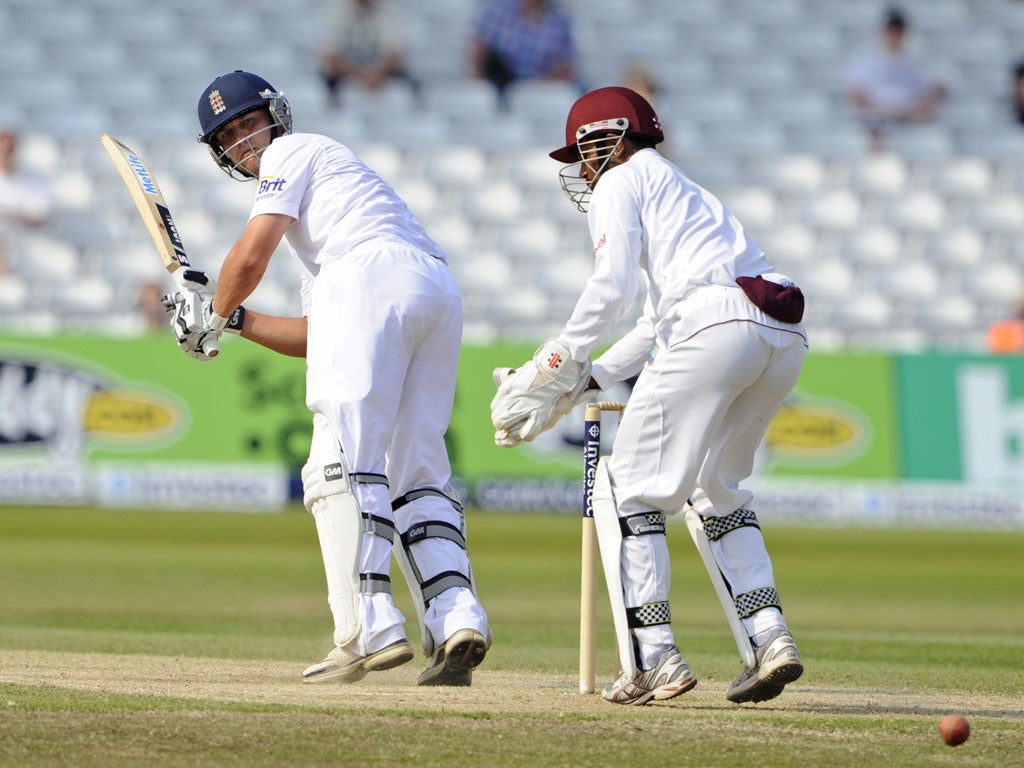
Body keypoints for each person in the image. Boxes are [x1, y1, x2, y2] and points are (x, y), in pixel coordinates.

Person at [166, 70, 490, 686]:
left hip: (371, 285)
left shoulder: (292, 151)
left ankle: (373, 626)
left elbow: (251, 255)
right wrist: (230, 320)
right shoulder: (337, 212)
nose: (242, 141)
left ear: (275, 116)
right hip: (435, 289)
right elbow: (321, 334)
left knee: (353, 460)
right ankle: (457, 616)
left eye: (246, 123)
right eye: (227, 135)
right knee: (418, 470)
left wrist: (206, 315)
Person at [490, 87, 808, 706]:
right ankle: (769, 639)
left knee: (623, 488)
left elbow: (611, 291)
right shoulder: (682, 191)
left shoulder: (620, 181)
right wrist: (584, 382)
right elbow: (654, 321)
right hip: (778, 335)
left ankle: (653, 658)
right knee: (715, 491)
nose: (580, 170)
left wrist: (550, 364)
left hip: (712, 327)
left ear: (606, 138)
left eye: (581, 152)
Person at [846, 7, 948, 150]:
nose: (894, 35)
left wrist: (921, 105)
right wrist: (894, 111)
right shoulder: (866, 61)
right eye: (891, 30)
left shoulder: (913, 63)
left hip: (907, 126)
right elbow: (857, 97)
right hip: (876, 127)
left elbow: (938, 89)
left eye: (898, 30)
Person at [316, 0, 418, 109]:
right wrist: (360, 75)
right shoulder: (334, 10)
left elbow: (396, 54)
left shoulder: (391, 11)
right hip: (345, 73)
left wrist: (376, 73)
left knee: (408, 90)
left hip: (381, 74)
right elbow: (331, 57)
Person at [470, 0, 577, 103]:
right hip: (501, 86)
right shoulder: (499, 9)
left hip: (540, 89)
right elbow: (480, 50)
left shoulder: (560, 18)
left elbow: (566, 65)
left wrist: (535, 87)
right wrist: (484, 86)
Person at [0, 128, 51, 271]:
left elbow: (40, 219)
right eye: (3, 149)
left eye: (9, 149)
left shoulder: (34, 179)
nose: (5, 154)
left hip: (26, 241)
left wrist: (10, 216)